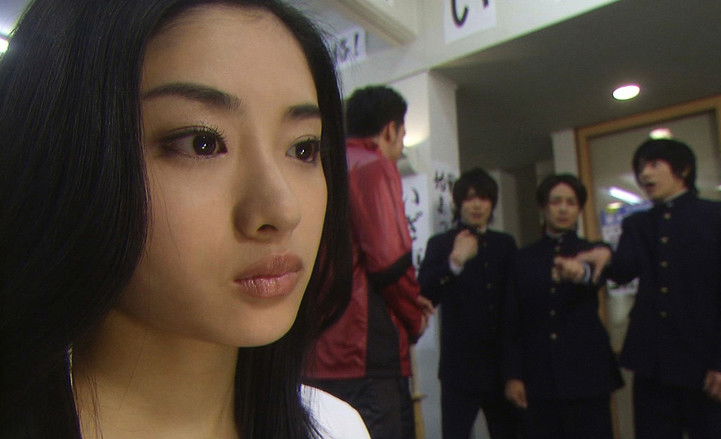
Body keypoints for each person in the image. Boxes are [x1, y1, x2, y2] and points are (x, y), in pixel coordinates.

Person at [0, 1, 370, 438]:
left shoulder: (337, 428)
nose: (282, 211)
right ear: (66, 154)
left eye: (303, 148)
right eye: (201, 144)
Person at [570, 138, 721, 438]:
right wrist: (600, 255)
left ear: (684, 170)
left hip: (710, 363)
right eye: (640, 168)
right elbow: (621, 270)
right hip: (653, 365)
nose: (645, 174)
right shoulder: (638, 224)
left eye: (654, 165)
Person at [306, 85, 434, 439]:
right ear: (390, 129)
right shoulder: (373, 165)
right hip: (363, 350)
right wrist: (414, 316)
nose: (402, 145)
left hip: (315, 348)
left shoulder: (320, 165)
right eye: (402, 135)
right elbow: (390, 263)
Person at [502, 174, 623, 439]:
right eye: (556, 202)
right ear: (543, 207)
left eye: (571, 202)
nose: (563, 209)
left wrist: (581, 273)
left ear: (579, 209)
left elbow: (599, 274)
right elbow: (512, 321)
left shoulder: (595, 250)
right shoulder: (522, 259)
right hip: (538, 376)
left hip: (587, 372)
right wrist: (513, 375)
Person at [418, 168, 519, 439]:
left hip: (501, 366)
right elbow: (425, 291)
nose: (477, 205)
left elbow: (515, 304)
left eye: (483, 198)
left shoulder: (505, 244)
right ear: (458, 202)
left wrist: (515, 369)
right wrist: (455, 262)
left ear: (492, 204)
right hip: (459, 367)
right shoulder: (441, 244)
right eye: (470, 198)